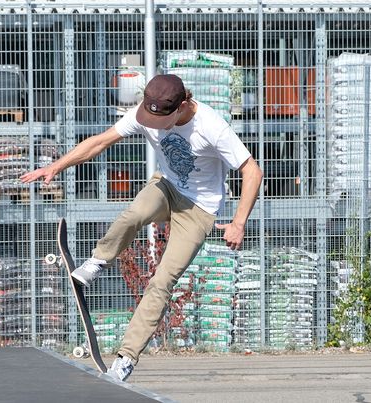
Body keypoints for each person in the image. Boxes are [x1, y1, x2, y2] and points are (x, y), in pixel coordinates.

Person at [21, 74, 263, 381]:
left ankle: (125, 359)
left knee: (162, 282)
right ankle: (98, 261)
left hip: (200, 210)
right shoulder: (144, 115)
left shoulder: (212, 127)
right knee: (136, 211)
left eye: (162, 120)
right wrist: (56, 165)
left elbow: (252, 171)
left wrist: (239, 222)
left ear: (183, 106)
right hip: (167, 187)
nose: (153, 125)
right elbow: (100, 141)